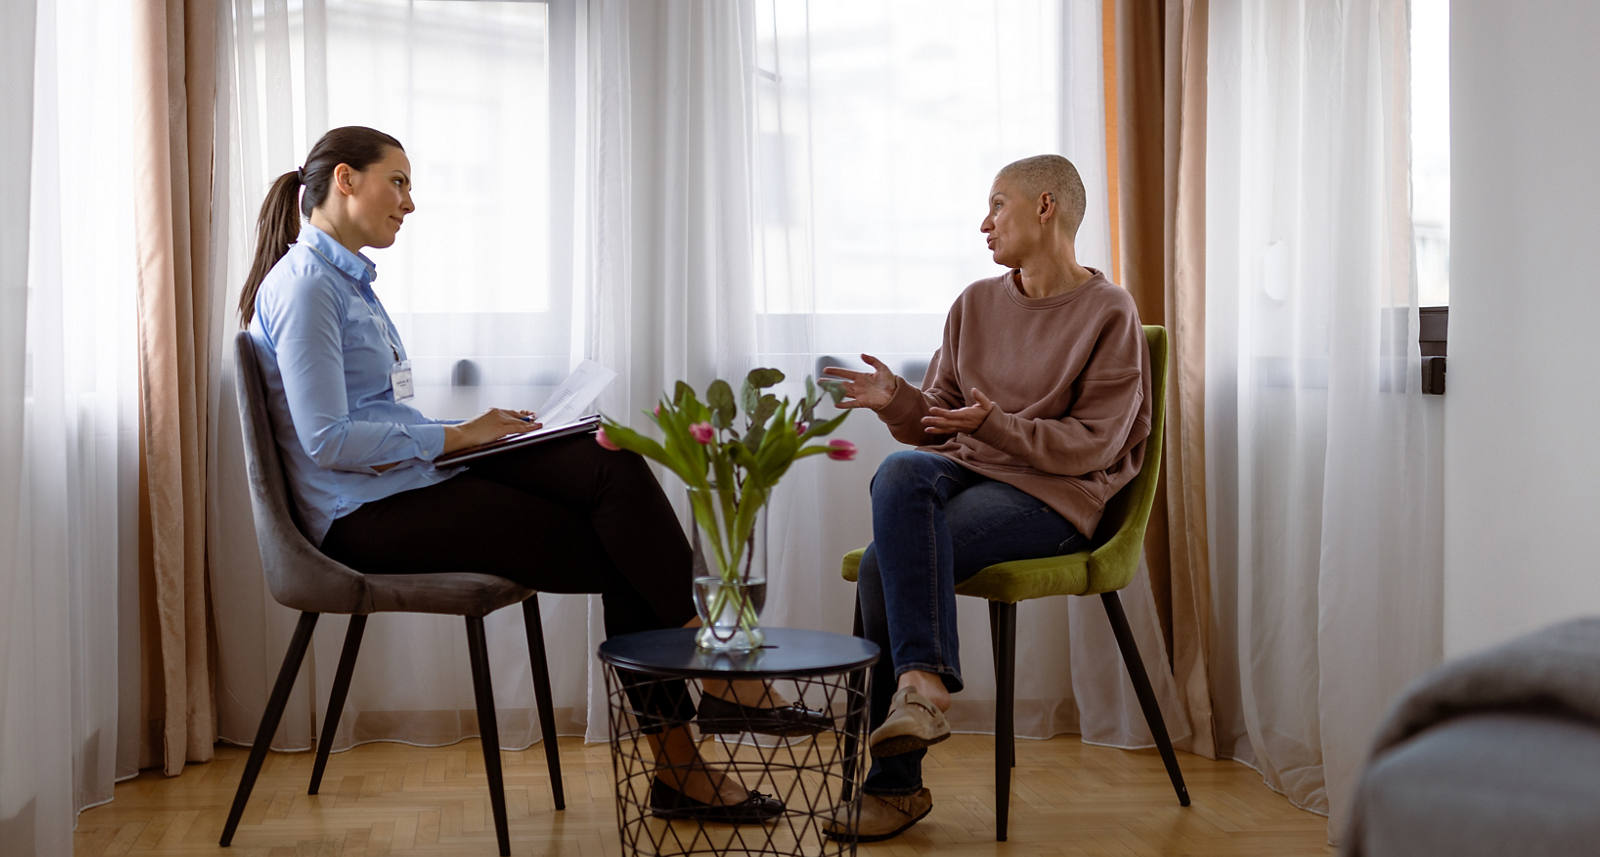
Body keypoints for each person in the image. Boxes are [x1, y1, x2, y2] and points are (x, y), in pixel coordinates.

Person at [240, 125, 825, 824]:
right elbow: (327, 439)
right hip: (361, 519)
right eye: (397, 181)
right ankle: (706, 702)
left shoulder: (349, 284)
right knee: (622, 539)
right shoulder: (307, 287)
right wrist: (456, 435)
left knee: (607, 458)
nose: (410, 202)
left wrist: (472, 438)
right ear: (344, 179)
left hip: (402, 487)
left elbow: (370, 415)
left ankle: (692, 737)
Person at [820, 154, 1152, 842]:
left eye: (997, 204)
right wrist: (898, 403)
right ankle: (923, 684)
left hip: (1058, 497)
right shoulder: (974, 303)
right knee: (899, 471)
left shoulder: (1109, 312)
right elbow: (938, 423)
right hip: (970, 474)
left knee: (885, 563)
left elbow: (1093, 443)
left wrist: (996, 424)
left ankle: (897, 783)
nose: (984, 222)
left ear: (1045, 207)